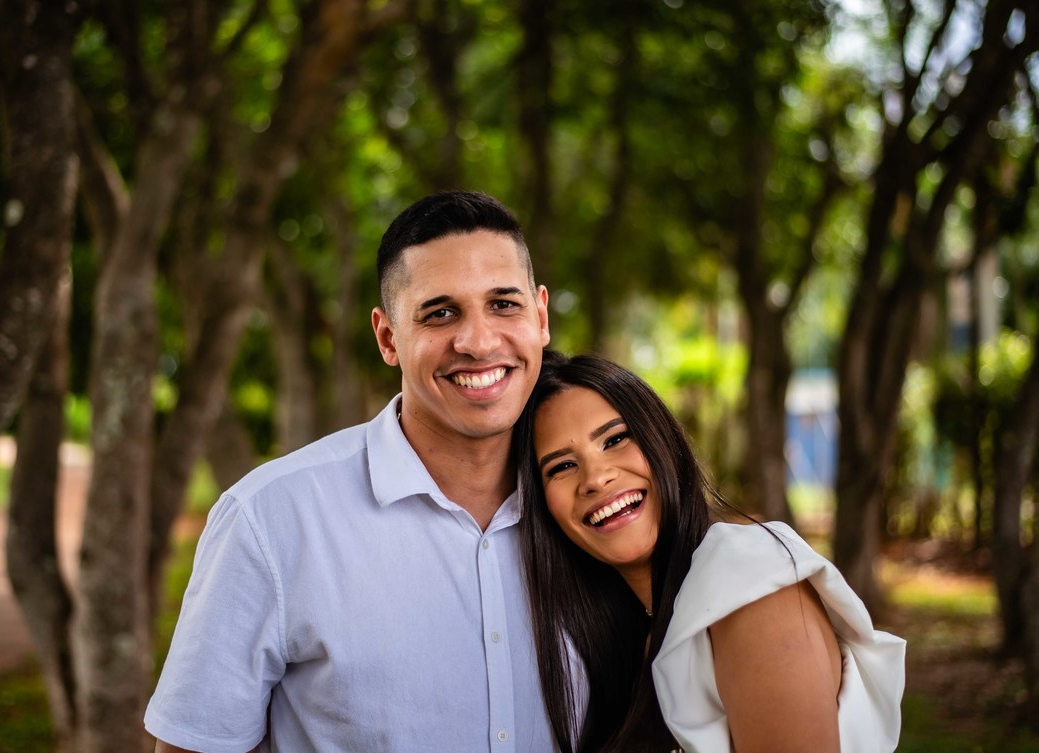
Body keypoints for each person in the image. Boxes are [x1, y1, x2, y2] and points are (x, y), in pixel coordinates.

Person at [145, 191, 557, 752]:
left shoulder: (594, 511)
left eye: (503, 304)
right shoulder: (269, 520)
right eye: (440, 313)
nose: (479, 341)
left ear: (540, 316)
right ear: (388, 338)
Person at [513, 351, 905, 753]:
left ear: (662, 439)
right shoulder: (621, 636)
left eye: (615, 439)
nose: (595, 478)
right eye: (561, 467)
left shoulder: (750, 581)